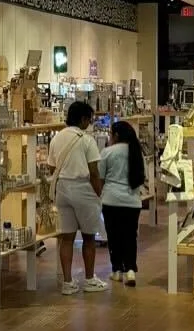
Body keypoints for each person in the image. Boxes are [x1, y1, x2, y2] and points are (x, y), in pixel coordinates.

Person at [49, 100, 107, 294]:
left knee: (67, 238)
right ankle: (89, 279)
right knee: (89, 237)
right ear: (83, 119)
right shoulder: (86, 140)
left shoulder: (57, 138)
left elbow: (52, 167)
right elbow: (94, 172)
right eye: (89, 120)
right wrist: (99, 194)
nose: (89, 124)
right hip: (83, 188)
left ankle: (67, 282)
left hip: (62, 189)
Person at [99, 118, 149, 285]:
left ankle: (117, 270)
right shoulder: (136, 152)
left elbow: (100, 177)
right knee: (130, 236)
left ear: (117, 135)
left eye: (111, 134)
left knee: (114, 236)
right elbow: (142, 177)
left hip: (111, 200)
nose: (110, 137)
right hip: (132, 201)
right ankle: (130, 270)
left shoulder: (108, 152)